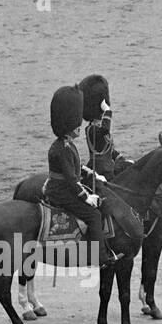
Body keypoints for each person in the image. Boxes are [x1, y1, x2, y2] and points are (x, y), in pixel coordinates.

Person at [42, 84, 117, 267]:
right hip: (60, 191)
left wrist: (94, 175)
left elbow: (77, 166)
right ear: (68, 125)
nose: (79, 127)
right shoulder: (63, 148)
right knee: (93, 216)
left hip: (64, 187)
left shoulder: (66, 144)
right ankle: (100, 258)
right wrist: (87, 197)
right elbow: (71, 179)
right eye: (75, 124)